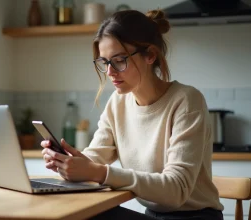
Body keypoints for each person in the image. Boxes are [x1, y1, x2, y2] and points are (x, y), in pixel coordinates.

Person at [41, 9, 224, 220]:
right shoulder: (118, 103)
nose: (110, 72)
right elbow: (94, 158)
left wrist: (98, 172)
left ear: (151, 55)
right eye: (104, 62)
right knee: (82, 213)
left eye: (119, 60)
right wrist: (66, 161)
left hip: (196, 218)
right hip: (153, 216)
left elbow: (176, 190)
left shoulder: (187, 100)